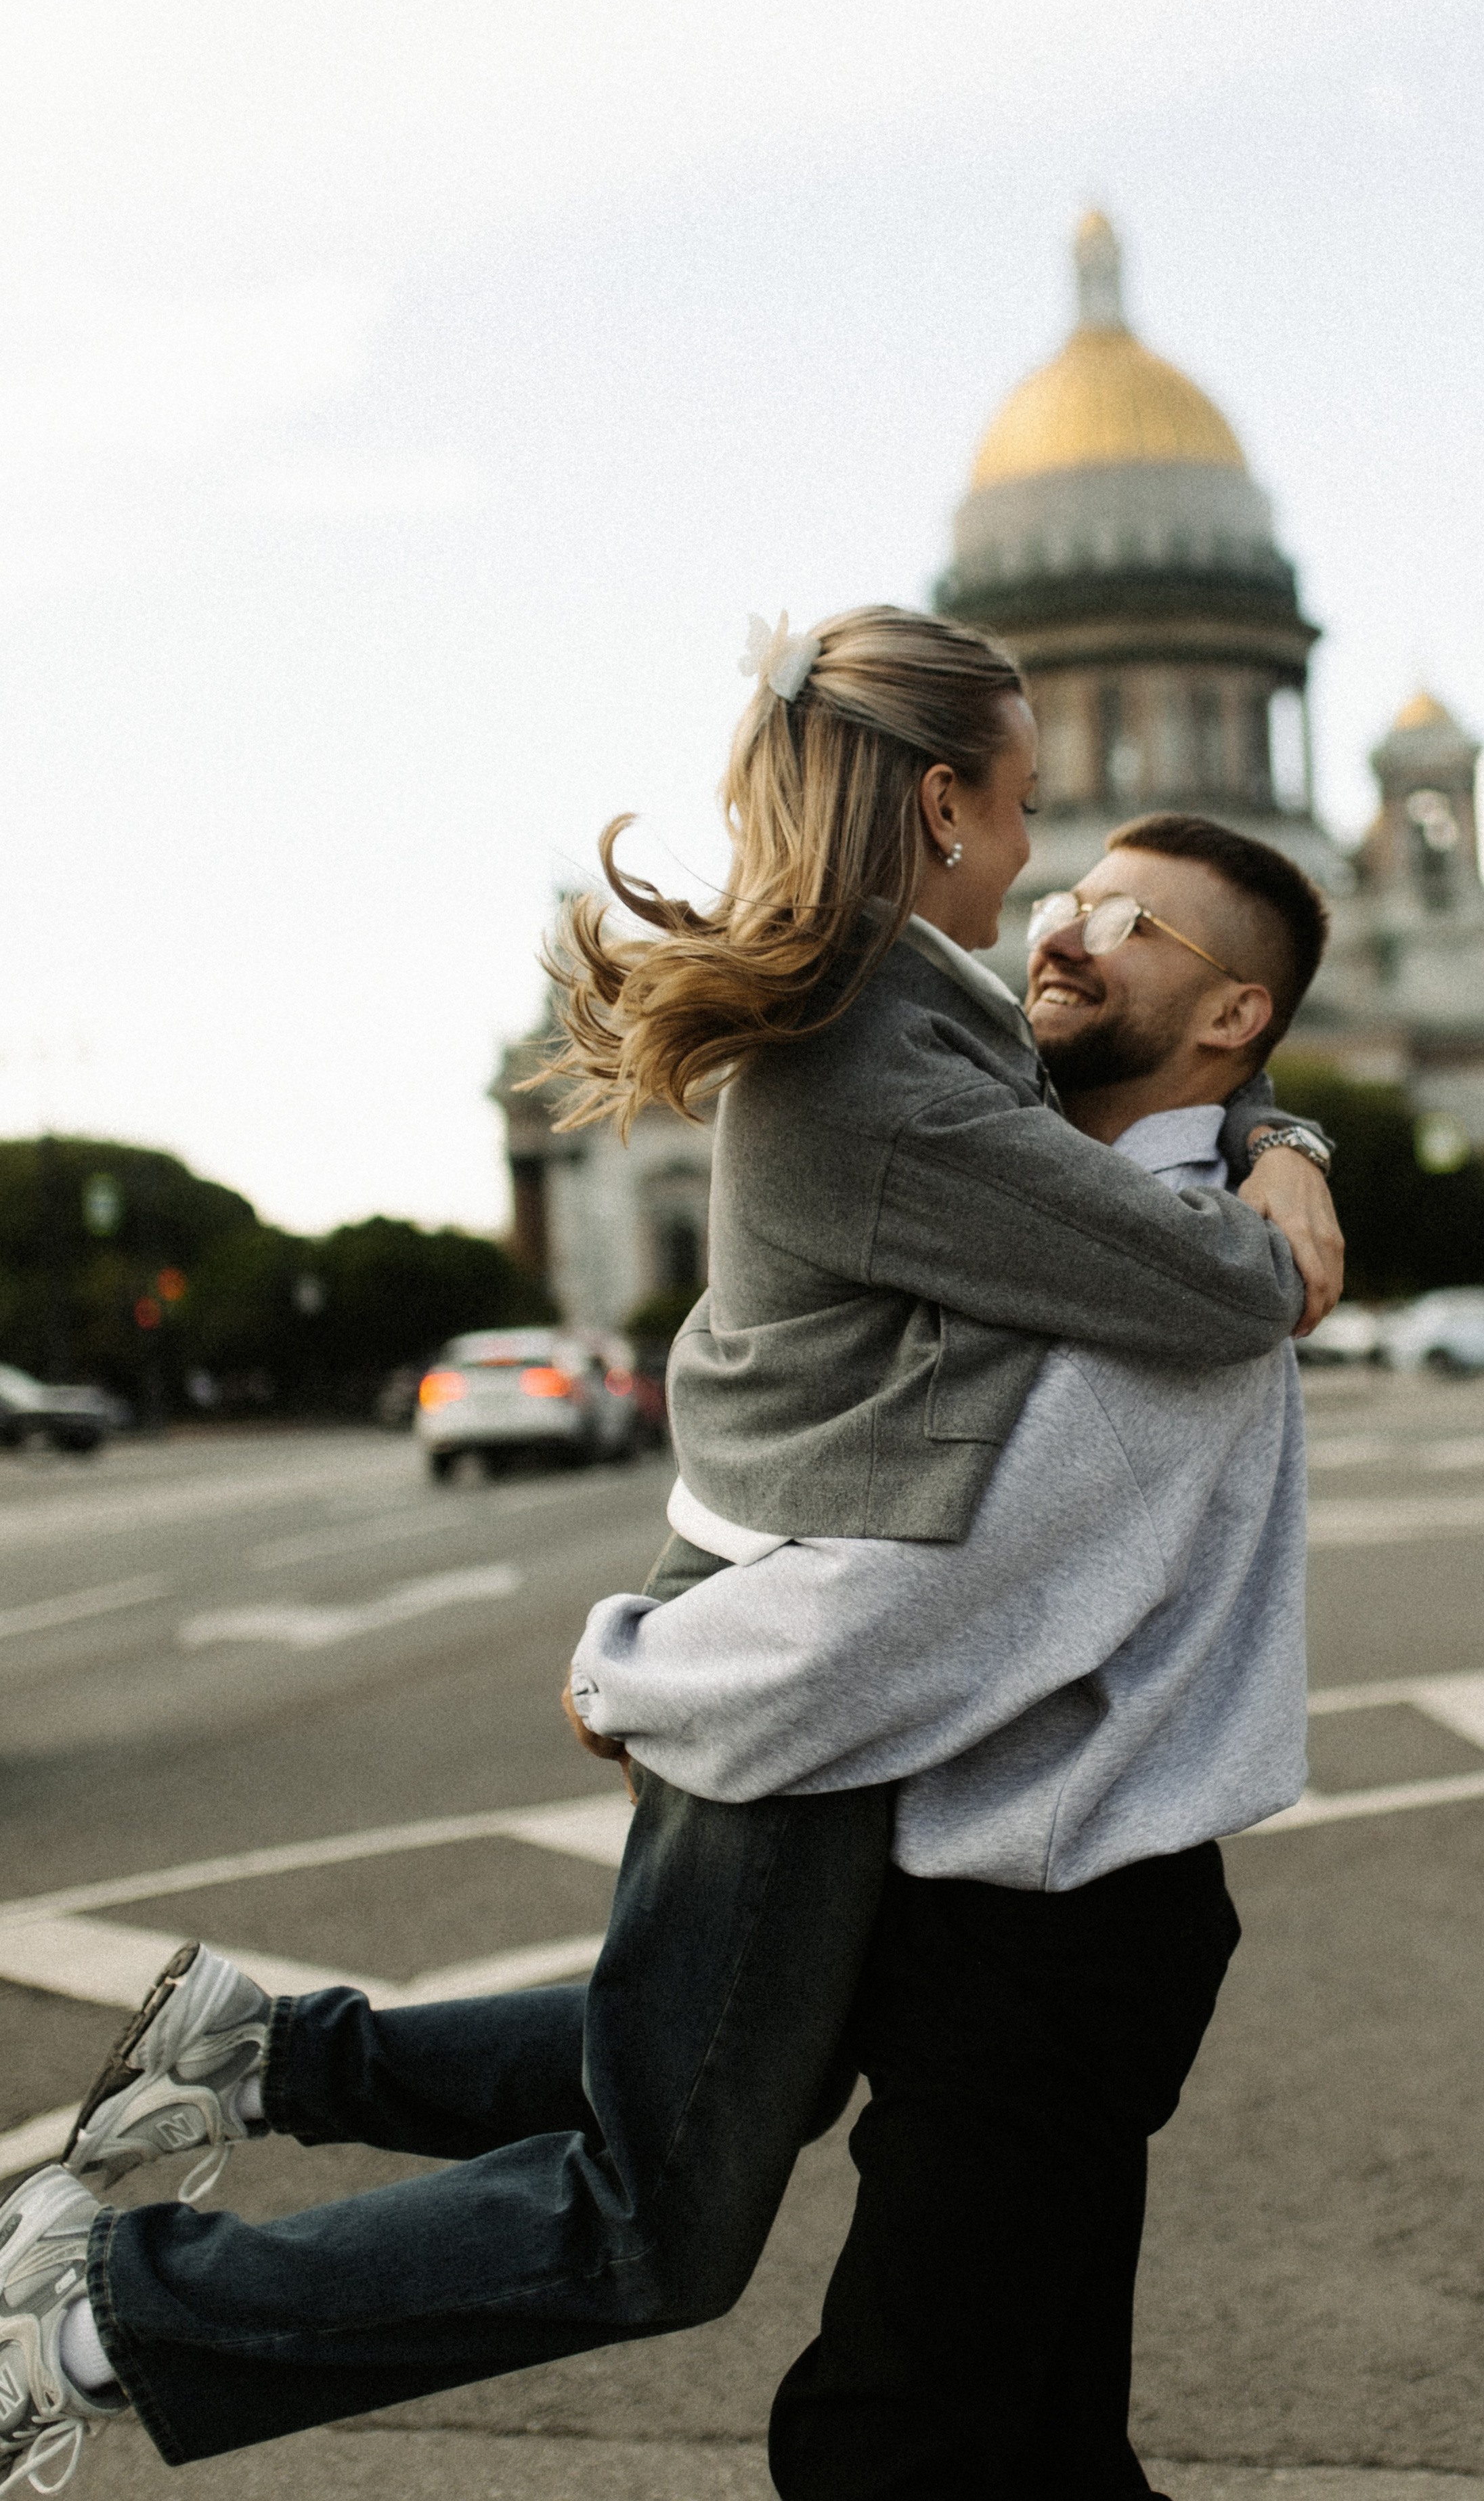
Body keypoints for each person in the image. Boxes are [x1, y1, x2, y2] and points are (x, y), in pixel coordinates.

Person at [0, 611, 1338, 2498]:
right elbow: (1170, 1341)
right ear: (946, 802)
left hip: (957, 1807)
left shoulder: (938, 1042)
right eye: (1046, 832)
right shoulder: (926, 1082)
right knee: (693, 2225)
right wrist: (650, 1672)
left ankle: (254, 2077)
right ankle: (105, 2309)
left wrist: (1276, 1123)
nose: (1053, 892)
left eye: (1125, 912)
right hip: (883, 1743)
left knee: (757, 2129)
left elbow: (964, 1565)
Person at [572, 813, 1329, 2498]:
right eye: (1070, 894)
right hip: (1031, 1907)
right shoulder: (1054, 1197)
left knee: (893, 2439)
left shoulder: (1171, 1294)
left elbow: (916, 1609)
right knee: (1039, 2444)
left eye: (1131, 923)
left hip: (1051, 1932)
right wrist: (1294, 1130)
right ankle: (273, 2057)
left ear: (1229, 1020)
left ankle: (247, 2101)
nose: (1059, 931)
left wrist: (636, 1676)